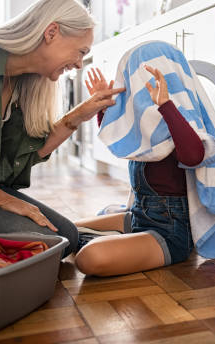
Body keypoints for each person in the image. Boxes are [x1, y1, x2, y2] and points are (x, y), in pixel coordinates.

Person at [0, 0, 125, 255]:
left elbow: (25, 156)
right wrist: (7, 201)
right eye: (81, 52)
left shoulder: (22, 83)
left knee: (66, 236)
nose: (79, 64)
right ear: (51, 32)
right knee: (49, 245)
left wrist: (80, 114)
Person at [74, 65, 205, 276]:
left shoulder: (176, 123)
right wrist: (104, 109)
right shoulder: (139, 131)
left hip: (169, 234)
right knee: (66, 231)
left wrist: (166, 105)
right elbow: (117, 140)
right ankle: (112, 240)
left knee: (89, 258)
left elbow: (194, 156)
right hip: (137, 216)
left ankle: (110, 241)